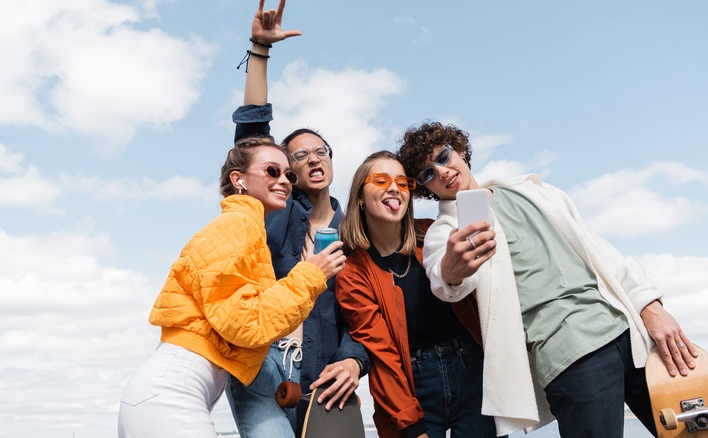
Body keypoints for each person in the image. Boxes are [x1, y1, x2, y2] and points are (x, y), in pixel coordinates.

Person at [397, 122, 699, 437]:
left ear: (459, 150)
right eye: (428, 174)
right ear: (424, 188)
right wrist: (454, 267)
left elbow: (601, 251)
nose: (441, 171)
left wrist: (651, 307)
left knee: (697, 431)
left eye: (443, 157)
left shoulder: (534, 191)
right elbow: (444, 283)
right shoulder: (445, 231)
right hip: (570, 354)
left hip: (632, 333)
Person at [117, 136, 346, 438]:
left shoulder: (248, 228)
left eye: (288, 174)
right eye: (271, 171)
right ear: (238, 179)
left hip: (172, 393)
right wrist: (311, 275)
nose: (285, 181)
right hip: (171, 395)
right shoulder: (236, 225)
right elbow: (244, 323)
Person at [225, 2, 370, 437]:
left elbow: (366, 318)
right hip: (261, 366)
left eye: (320, 150)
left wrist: (353, 360)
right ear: (288, 170)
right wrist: (259, 51)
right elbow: (253, 136)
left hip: (325, 384)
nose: (312, 158)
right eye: (299, 155)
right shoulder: (277, 212)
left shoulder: (356, 235)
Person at [335, 151, 497, 438]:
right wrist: (411, 426)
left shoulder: (434, 234)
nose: (394, 187)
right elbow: (382, 354)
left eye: (402, 181)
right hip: (413, 383)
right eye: (381, 180)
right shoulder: (352, 273)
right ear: (360, 196)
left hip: (472, 368)